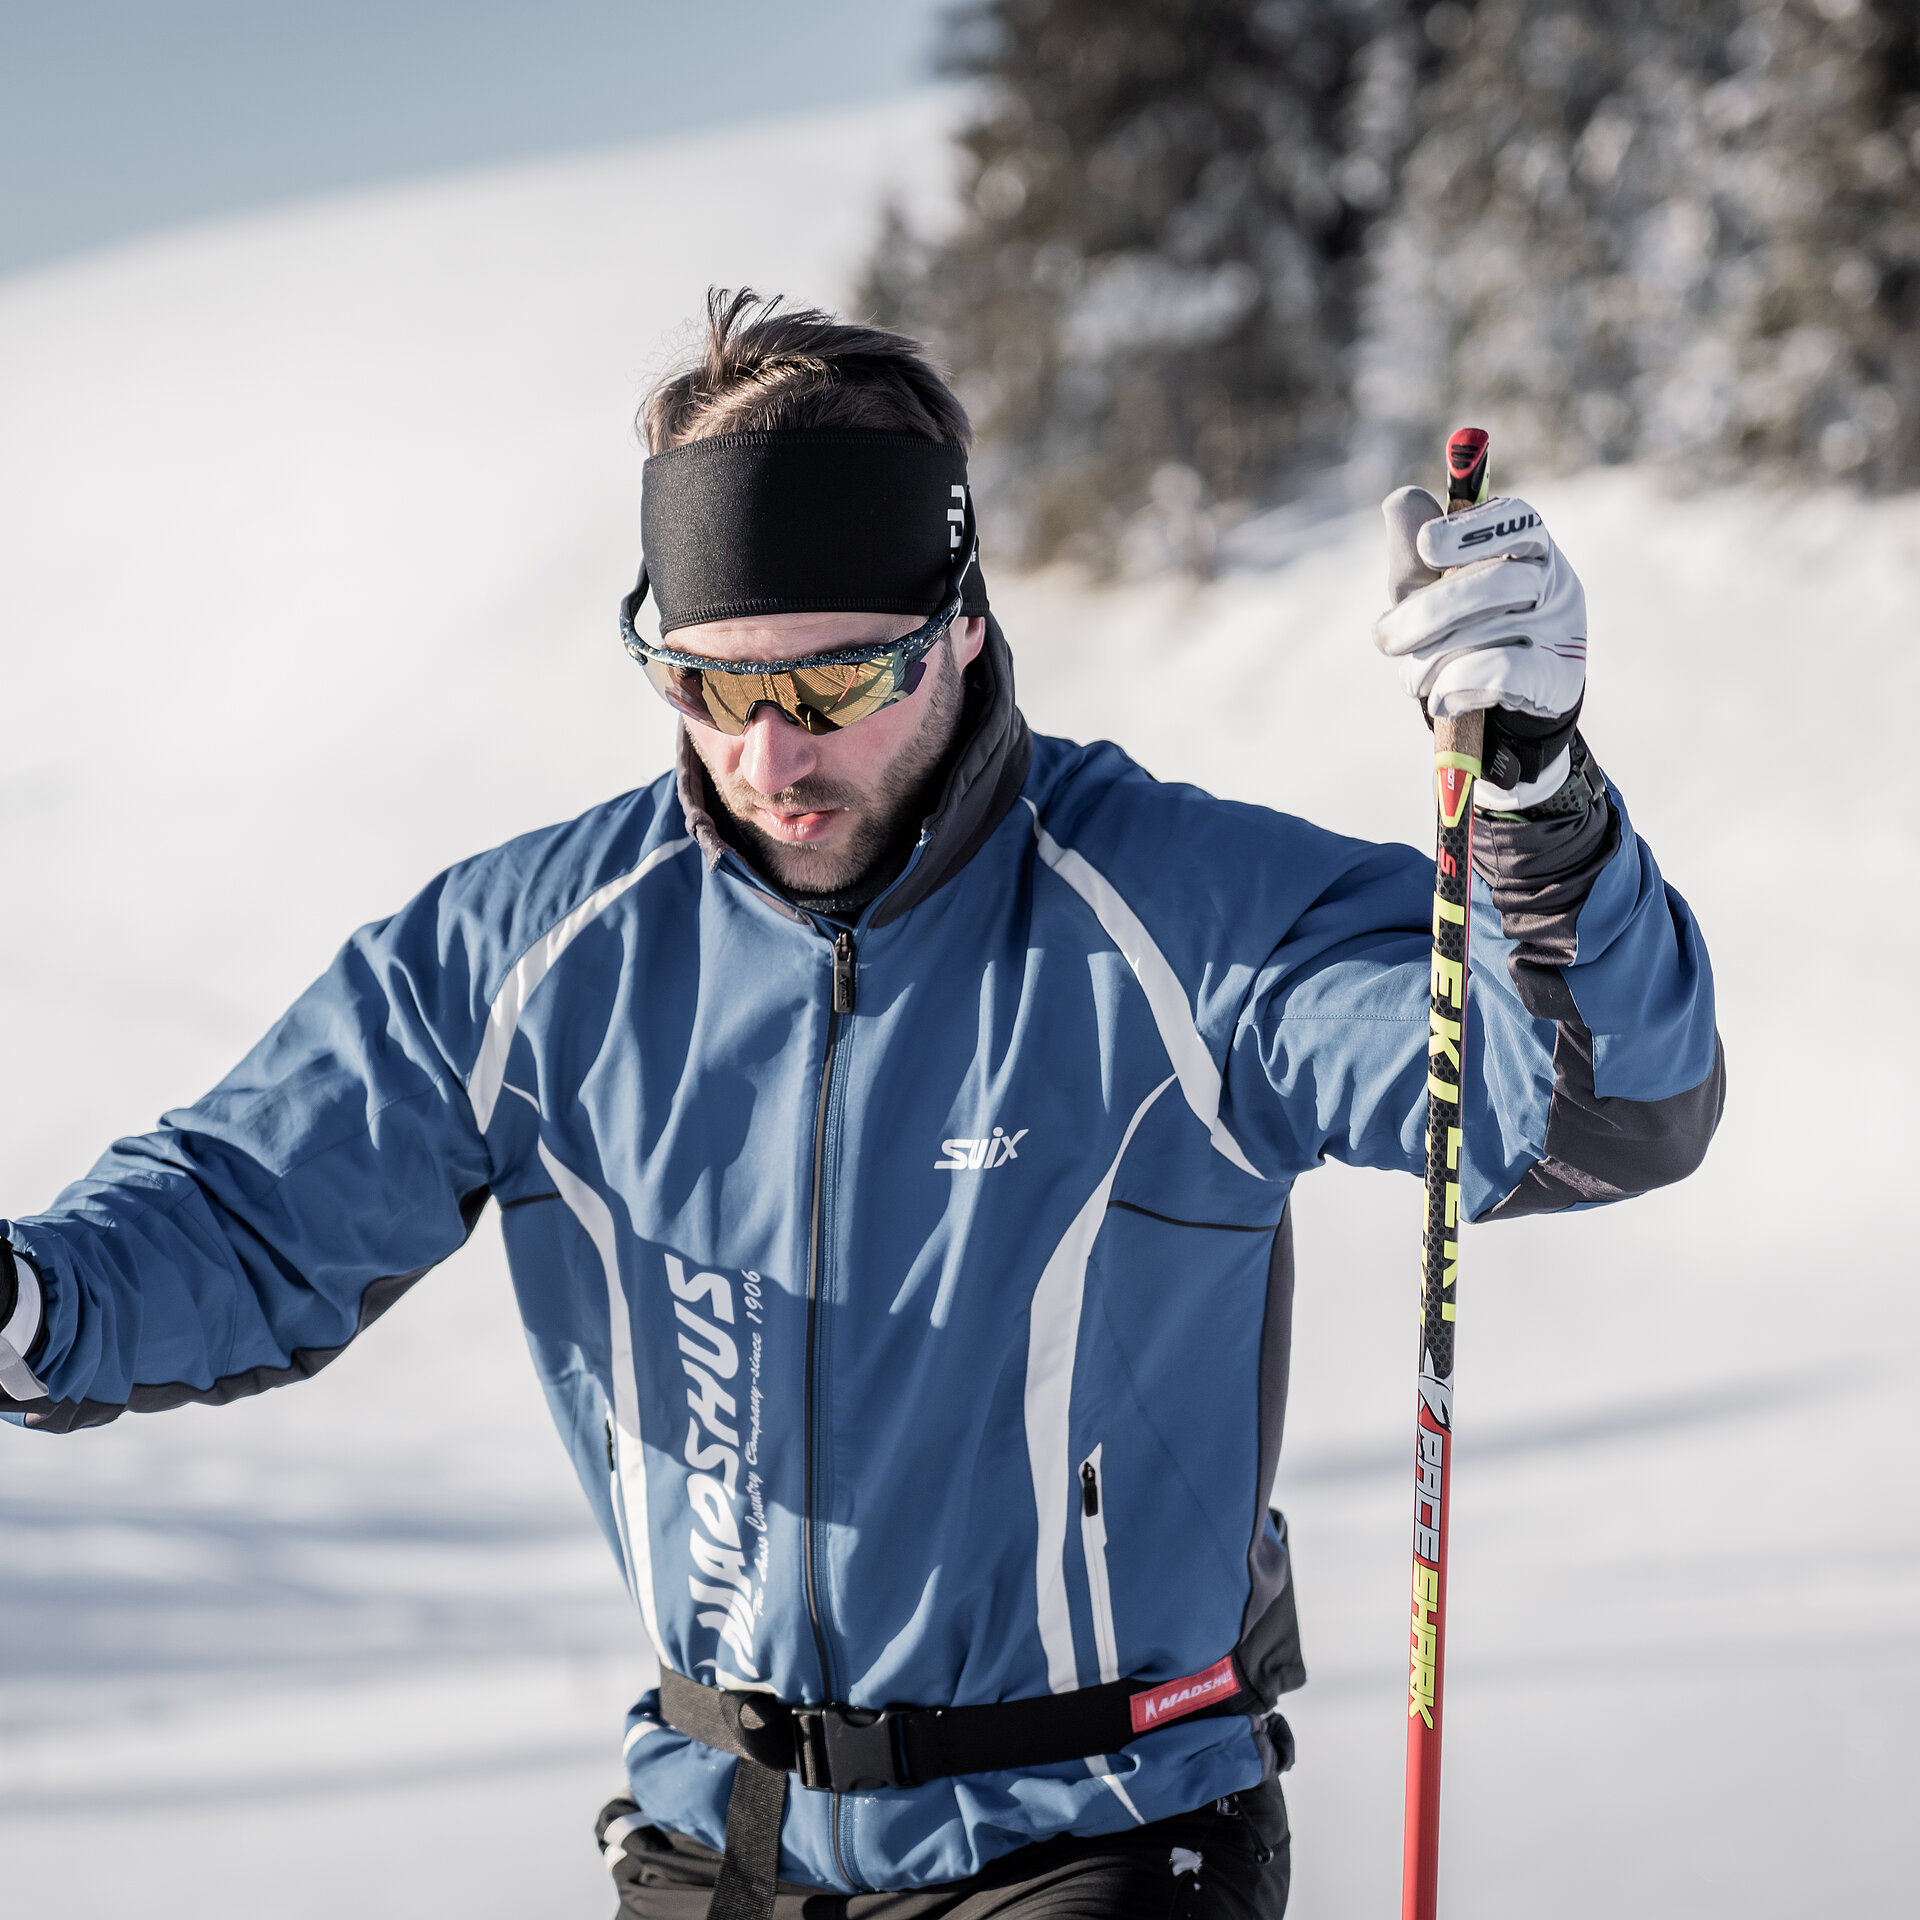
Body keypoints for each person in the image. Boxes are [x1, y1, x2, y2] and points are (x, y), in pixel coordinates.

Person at [0, 289, 1723, 1919]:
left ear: (961, 621)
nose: (769, 755)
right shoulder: (537, 957)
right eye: (713, 685)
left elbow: (1582, 1107)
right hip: (720, 1832)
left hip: (1097, 1832)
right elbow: (242, 1212)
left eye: (832, 683)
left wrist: (1540, 806)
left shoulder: (1176, 918)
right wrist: (29, 1303)